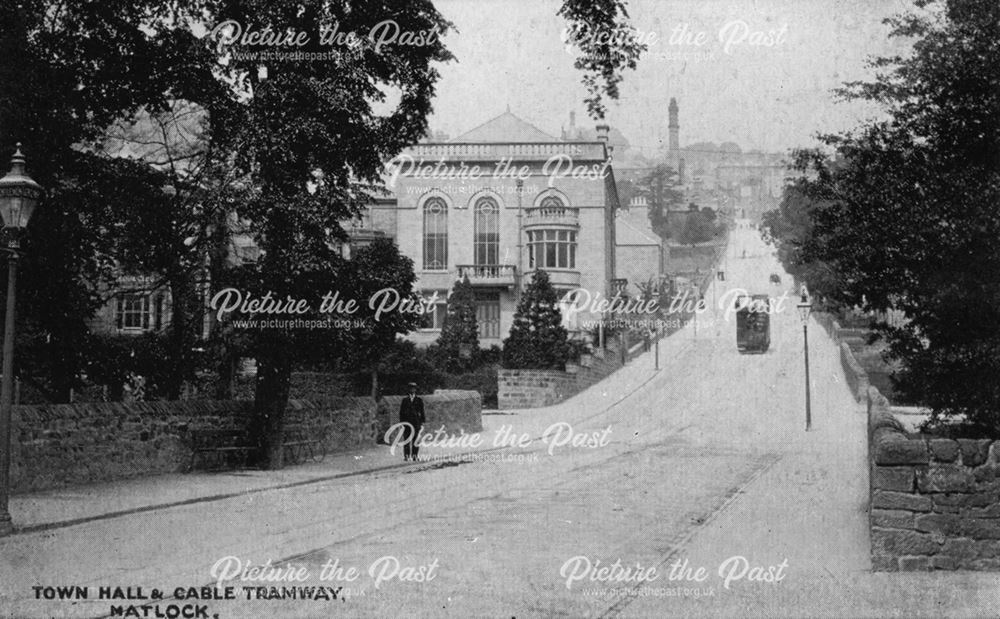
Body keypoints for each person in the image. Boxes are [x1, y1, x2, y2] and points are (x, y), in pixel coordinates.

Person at [398, 382, 425, 461]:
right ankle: (406, 456)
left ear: (416, 390)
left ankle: (415, 456)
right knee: (407, 440)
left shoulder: (419, 400)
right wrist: (402, 423)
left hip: (416, 423)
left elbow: (422, 412)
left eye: (413, 388)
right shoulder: (405, 400)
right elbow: (401, 412)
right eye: (410, 388)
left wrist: (422, 422)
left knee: (415, 440)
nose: (412, 390)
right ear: (408, 389)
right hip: (407, 423)